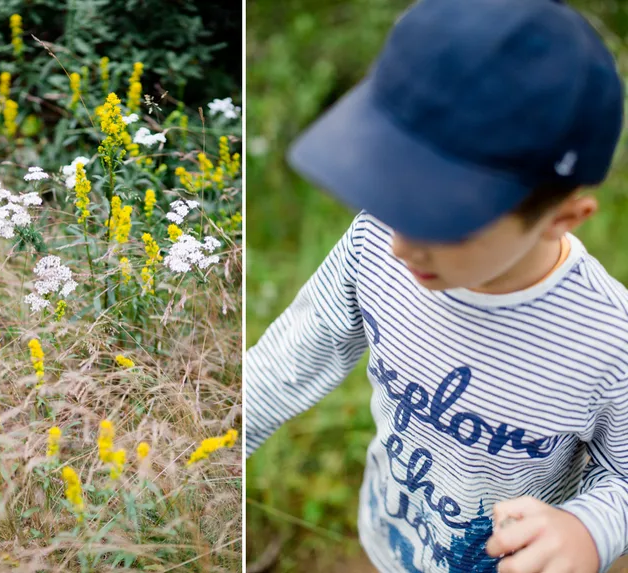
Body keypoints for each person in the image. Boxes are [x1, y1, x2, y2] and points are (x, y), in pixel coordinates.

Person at [245, 0, 628, 571]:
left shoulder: (608, 339)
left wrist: (587, 530)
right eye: (392, 195)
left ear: (562, 218)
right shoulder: (374, 241)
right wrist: (214, 438)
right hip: (392, 537)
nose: (400, 245)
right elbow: (292, 356)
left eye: (444, 221)